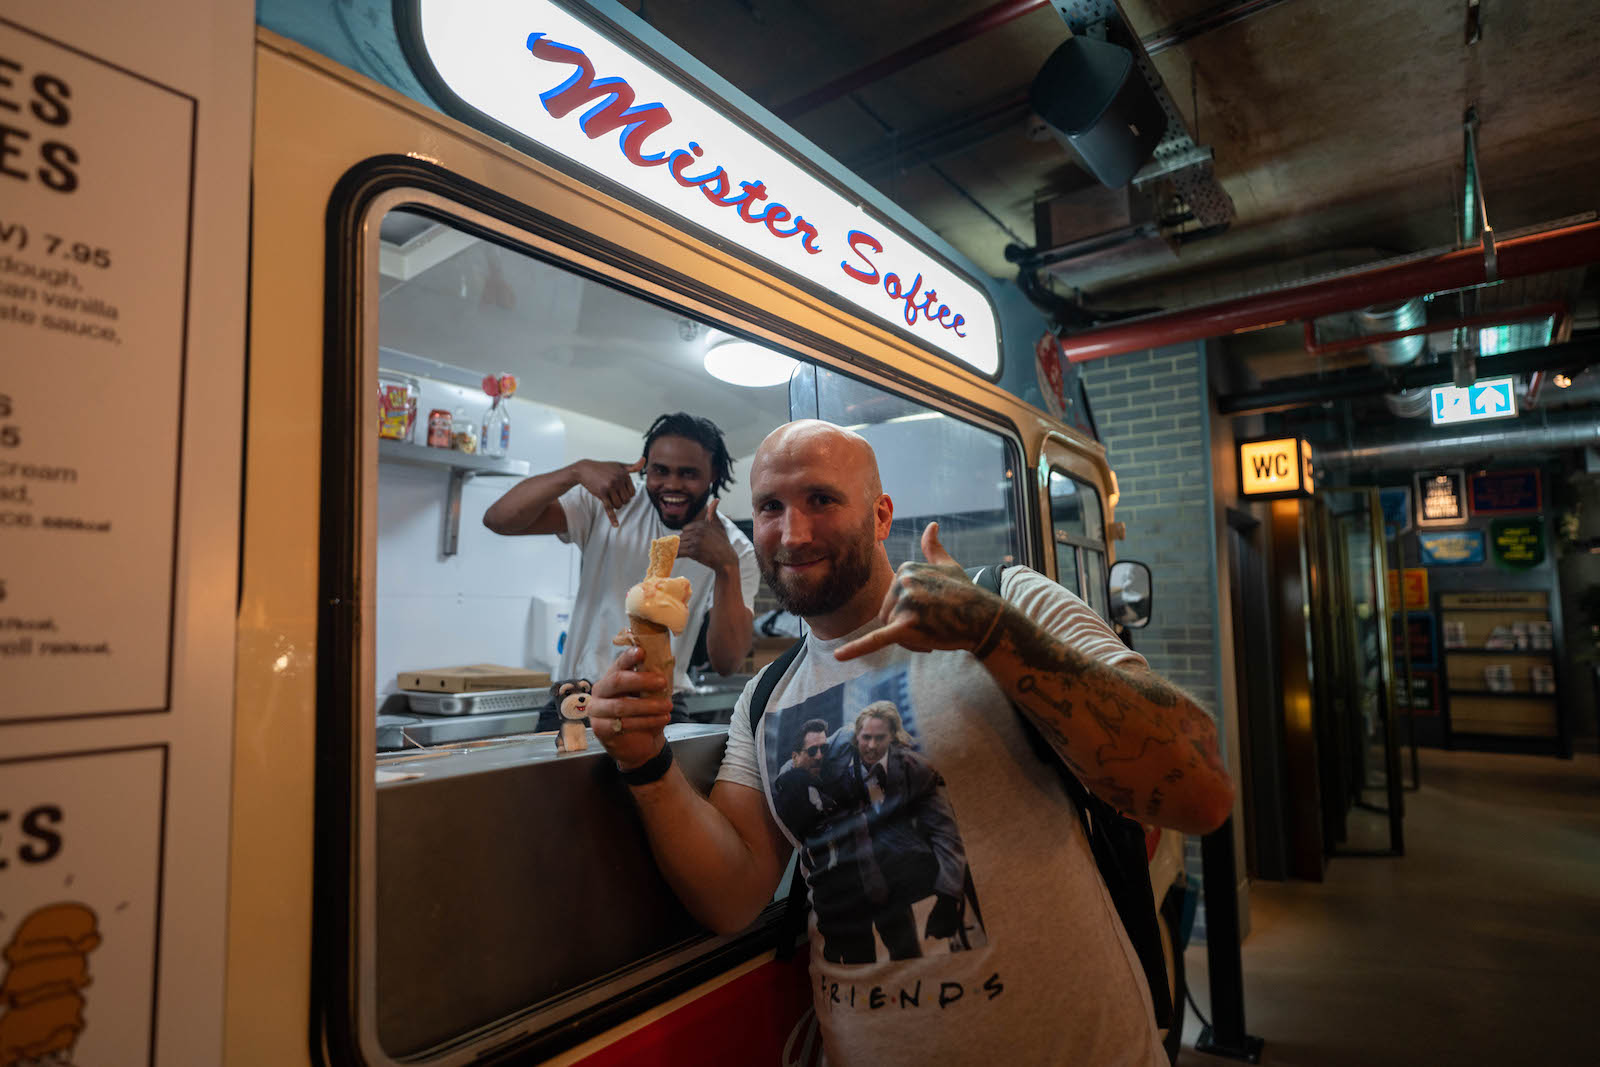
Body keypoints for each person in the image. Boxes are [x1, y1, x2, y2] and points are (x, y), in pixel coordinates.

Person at [587, 420, 1234, 1066]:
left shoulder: (1006, 602)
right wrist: (646, 761)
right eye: (770, 507)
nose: (793, 532)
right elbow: (732, 895)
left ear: (879, 515)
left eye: (821, 499)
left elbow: (1200, 789)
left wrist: (994, 636)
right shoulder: (766, 699)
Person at [483, 412, 759, 716]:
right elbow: (498, 519)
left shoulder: (734, 550)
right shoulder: (609, 505)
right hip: (579, 696)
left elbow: (728, 663)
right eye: (660, 471)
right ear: (644, 467)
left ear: (714, 475)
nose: (672, 485)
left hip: (657, 703)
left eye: (689, 474)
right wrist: (576, 471)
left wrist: (726, 568)